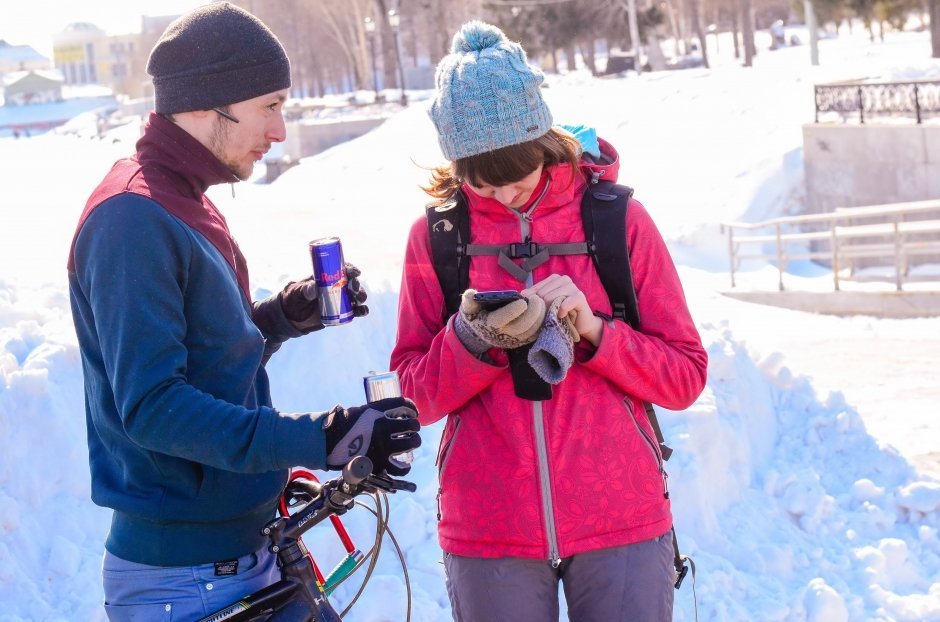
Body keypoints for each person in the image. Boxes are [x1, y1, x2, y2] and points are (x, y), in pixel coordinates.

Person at [66, 4, 421, 620]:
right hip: (185, 579)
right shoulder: (131, 218)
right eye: (270, 106)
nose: (280, 130)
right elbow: (154, 407)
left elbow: (202, 354)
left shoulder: (183, 199)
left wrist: (283, 317)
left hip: (242, 554)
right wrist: (323, 436)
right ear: (209, 104)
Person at [390, 21, 707, 621]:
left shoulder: (616, 222)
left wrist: (595, 332)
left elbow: (685, 376)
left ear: (543, 141)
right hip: (489, 525)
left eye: (517, 177)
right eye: (482, 183)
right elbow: (412, 395)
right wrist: (472, 341)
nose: (504, 196)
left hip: (620, 517)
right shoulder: (439, 237)